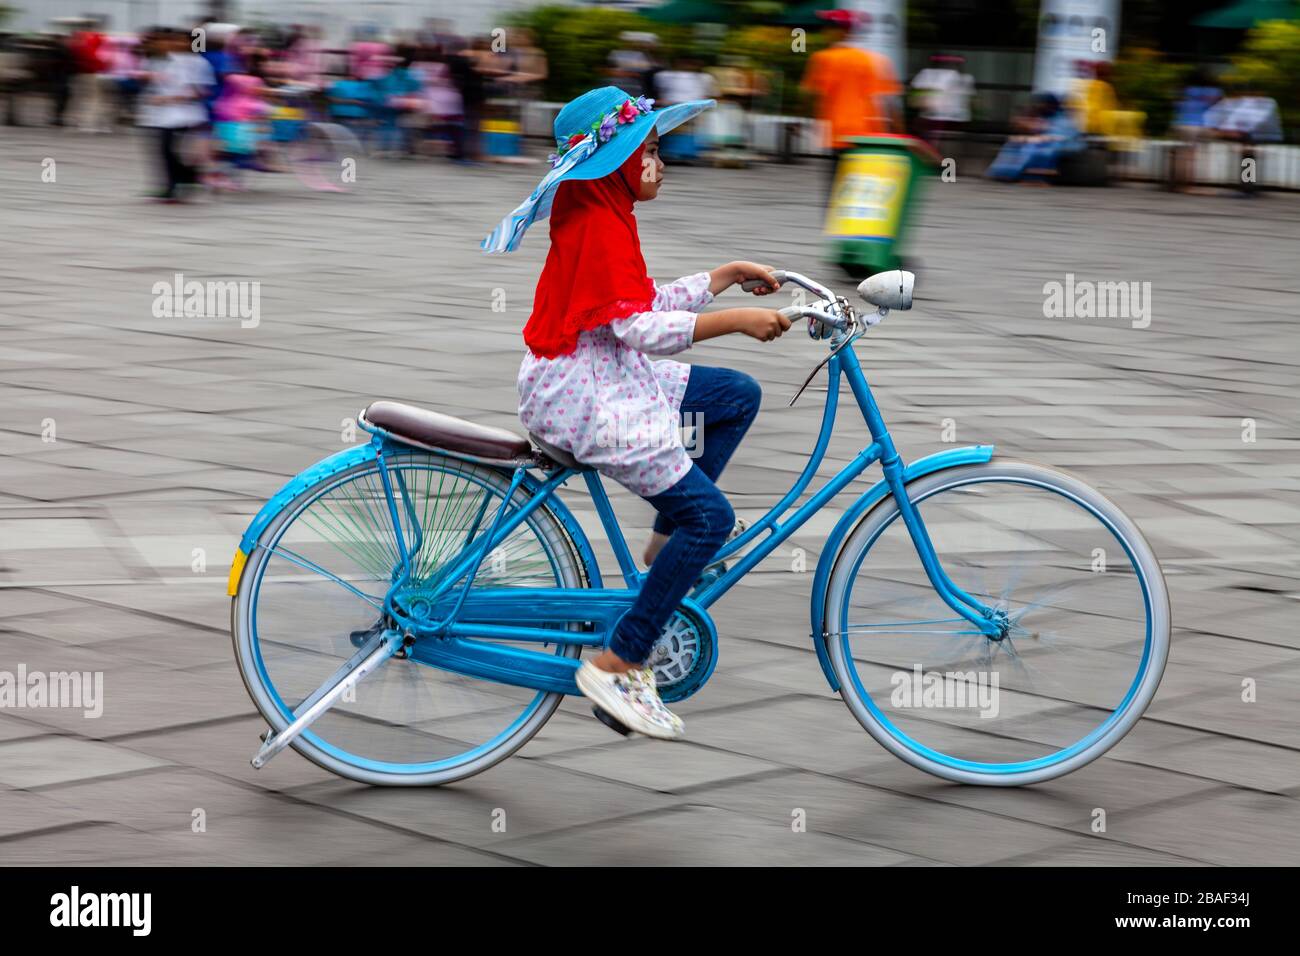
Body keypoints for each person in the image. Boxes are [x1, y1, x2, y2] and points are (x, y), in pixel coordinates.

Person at [481, 87, 790, 738]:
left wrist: (727, 272)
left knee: (735, 396)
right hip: (584, 395)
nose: (659, 161)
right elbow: (641, 328)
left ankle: (661, 547)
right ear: (616, 158)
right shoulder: (596, 219)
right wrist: (735, 320)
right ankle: (620, 660)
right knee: (712, 518)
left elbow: (639, 301)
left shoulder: (603, 207)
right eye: (648, 149)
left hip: (601, 375)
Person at [801, 10, 902, 196]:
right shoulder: (874, 60)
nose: (824, 31)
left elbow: (810, 95)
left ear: (841, 31)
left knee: (836, 191)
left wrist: (809, 123)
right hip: (868, 136)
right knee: (863, 189)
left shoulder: (823, 59)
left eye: (828, 27)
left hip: (838, 135)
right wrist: (899, 135)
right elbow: (888, 102)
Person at [138, 28, 214, 201]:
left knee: (168, 149)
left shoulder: (199, 62)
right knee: (164, 150)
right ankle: (177, 182)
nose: (177, 43)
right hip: (165, 115)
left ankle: (185, 179)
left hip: (188, 114)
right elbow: (163, 79)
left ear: (191, 42)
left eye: (182, 40)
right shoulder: (169, 60)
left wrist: (169, 98)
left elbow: (200, 92)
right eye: (175, 40)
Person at [985, 92, 1083, 183]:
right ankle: (1001, 172)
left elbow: (1061, 135)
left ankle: (1031, 177)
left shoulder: (1063, 119)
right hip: (1048, 141)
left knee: (1033, 149)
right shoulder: (1049, 117)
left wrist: (1039, 137)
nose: (1042, 106)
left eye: (1044, 104)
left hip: (1063, 144)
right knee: (1012, 146)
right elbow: (1041, 130)